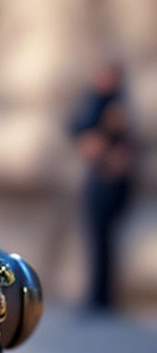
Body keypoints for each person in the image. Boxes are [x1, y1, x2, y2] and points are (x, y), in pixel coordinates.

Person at [69, 62, 136, 311]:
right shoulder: (95, 102)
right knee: (96, 240)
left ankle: (103, 297)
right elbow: (78, 129)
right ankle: (97, 296)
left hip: (111, 182)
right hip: (99, 178)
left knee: (104, 241)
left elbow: (124, 143)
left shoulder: (118, 104)